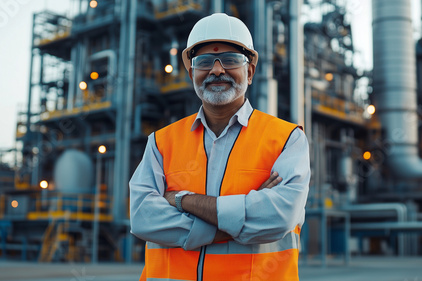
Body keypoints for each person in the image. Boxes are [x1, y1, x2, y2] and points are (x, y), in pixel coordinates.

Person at [130, 13, 310, 281]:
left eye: (230, 61)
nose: (216, 70)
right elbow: (143, 218)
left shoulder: (286, 139)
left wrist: (182, 200)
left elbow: (278, 218)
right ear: (192, 73)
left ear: (249, 72)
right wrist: (240, 219)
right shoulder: (161, 142)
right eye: (204, 62)